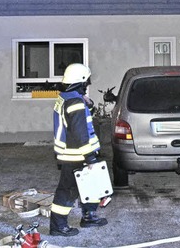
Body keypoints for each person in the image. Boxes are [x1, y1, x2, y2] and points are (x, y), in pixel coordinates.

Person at [49, 63, 107, 237]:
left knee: (91, 185)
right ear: (80, 81)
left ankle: (89, 216)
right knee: (67, 190)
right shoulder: (75, 102)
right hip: (75, 154)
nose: (87, 86)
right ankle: (58, 226)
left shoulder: (68, 98)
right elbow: (80, 132)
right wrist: (90, 157)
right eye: (86, 83)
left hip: (72, 152)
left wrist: (86, 105)